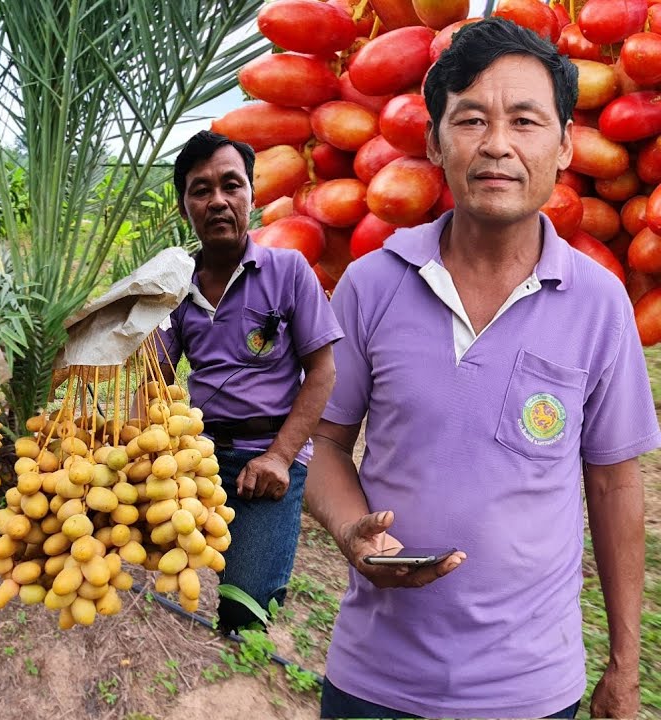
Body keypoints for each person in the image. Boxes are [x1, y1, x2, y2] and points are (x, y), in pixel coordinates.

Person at [307, 18, 657, 719]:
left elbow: (616, 486)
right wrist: (351, 531)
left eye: (525, 121)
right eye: (471, 120)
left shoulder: (599, 303)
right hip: (372, 682)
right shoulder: (373, 283)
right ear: (435, 141)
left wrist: (625, 665)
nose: (497, 144)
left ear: (563, 146)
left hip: (530, 693)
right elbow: (323, 445)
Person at [157, 130, 342, 631]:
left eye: (230, 185)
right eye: (200, 190)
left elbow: (322, 371)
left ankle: (242, 620)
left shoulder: (289, 270)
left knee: (245, 610)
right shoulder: (173, 285)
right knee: (146, 553)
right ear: (184, 208)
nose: (217, 200)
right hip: (196, 456)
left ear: (252, 197)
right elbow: (152, 376)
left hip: (268, 455)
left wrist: (281, 457)